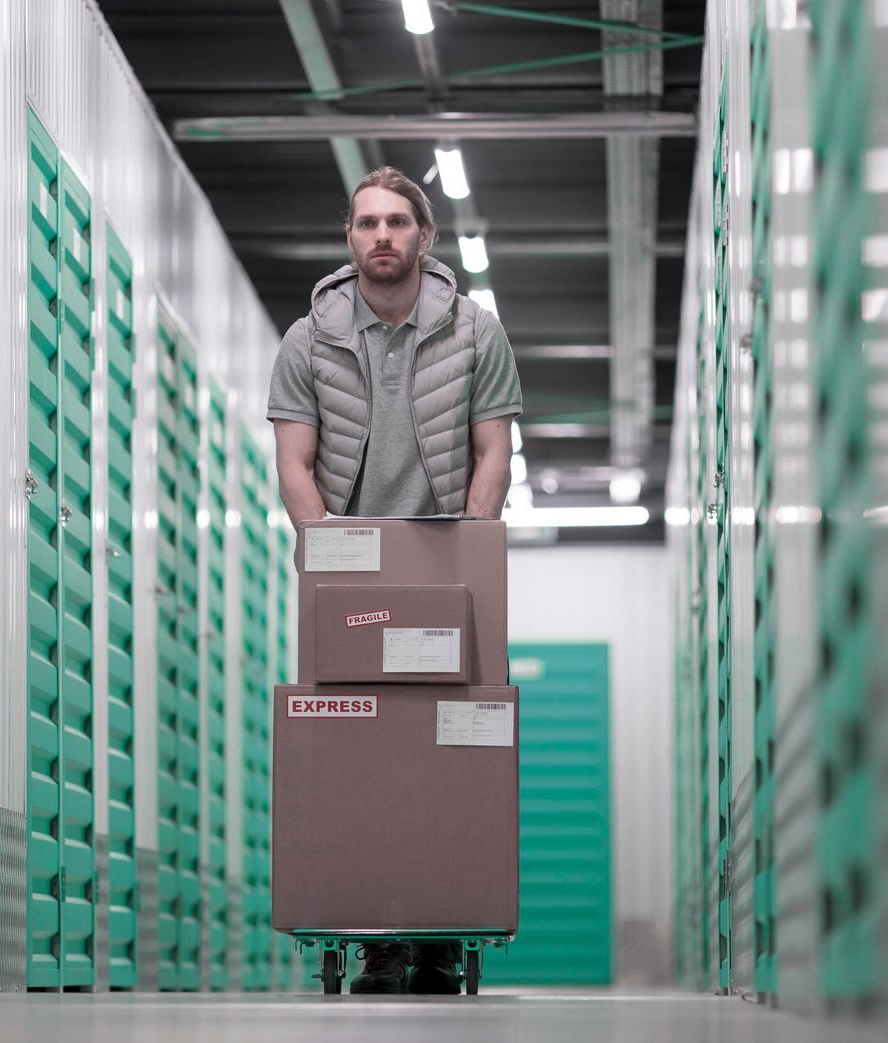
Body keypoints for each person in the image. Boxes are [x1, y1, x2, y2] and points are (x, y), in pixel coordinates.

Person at [264, 166, 523, 994]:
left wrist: (471, 552)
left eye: (398, 223)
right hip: (350, 569)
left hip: (450, 555)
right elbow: (294, 467)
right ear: (349, 237)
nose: (382, 236)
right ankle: (380, 937)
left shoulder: (477, 332)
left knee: (454, 742)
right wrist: (330, 555)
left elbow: (493, 454)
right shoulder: (307, 341)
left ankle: (442, 933)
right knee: (356, 750)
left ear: (425, 237)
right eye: (367, 223)